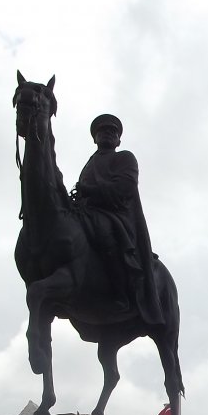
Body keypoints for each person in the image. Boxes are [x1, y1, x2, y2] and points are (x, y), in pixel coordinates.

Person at [72, 114, 163, 323]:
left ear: (119, 141)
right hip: (87, 212)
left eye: (113, 132)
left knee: (106, 235)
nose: (108, 134)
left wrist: (91, 190)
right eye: (103, 131)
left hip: (115, 214)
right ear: (95, 138)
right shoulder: (89, 163)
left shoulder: (124, 158)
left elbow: (125, 187)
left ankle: (122, 294)